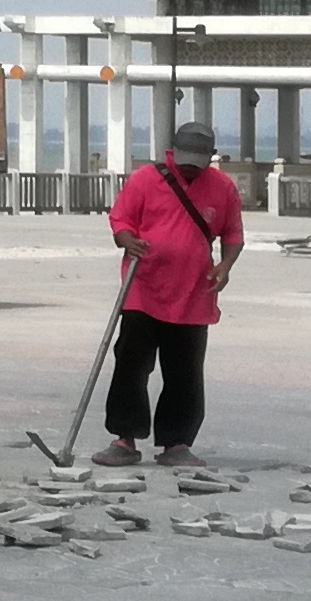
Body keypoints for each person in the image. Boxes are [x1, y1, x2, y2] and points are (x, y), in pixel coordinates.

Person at [98, 118, 242, 467]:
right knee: (131, 365)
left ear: (210, 157)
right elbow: (120, 220)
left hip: (193, 293)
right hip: (143, 288)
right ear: (172, 152)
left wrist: (225, 267)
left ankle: (176, 442)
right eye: (185, 161)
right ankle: (124, 439)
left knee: (185, 371)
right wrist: (125, 239)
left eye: (197, 163)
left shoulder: (222, 187)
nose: (190, 169)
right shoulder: (146, 180)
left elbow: (233, 236)